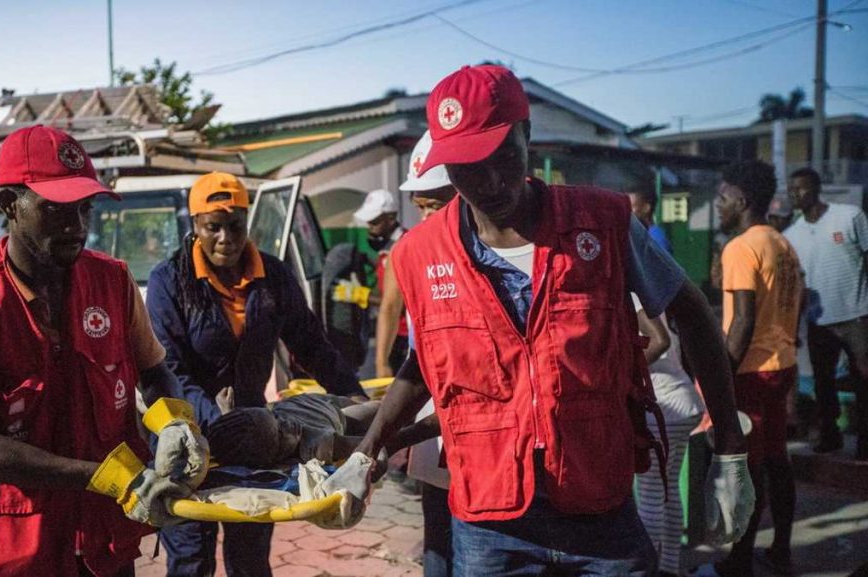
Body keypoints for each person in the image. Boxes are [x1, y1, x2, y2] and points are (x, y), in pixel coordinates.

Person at [328, 64, 755, 576]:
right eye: (465, 166)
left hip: (599, 509)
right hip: (489, 524)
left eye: (502, 155)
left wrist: (730, 449)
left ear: (527, 136)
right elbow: (425, 367)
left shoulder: (604, 224)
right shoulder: (419, 254)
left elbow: (695, 317)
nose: (488, 181)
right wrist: (368, 453)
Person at [0, 125, 205, 577]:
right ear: (9, 205)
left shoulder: (112, 281)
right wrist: (109, 477)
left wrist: (174, 422)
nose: (77, 226)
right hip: (12, 547)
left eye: (85, 208)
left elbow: (154, 371)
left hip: (102, 542)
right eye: (55, 210)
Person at [146, 171, 366, 577]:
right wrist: (219, 425)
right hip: (186, 438)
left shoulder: (273, 277)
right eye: (213, 227)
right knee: (191, 557)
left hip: (253, 439)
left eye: (235, 226)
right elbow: (170, 369)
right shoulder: (170, 281)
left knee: (250, 555)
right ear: (194, 226)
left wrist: (357, 399)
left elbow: (312, 346)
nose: (226, 238)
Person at [695, 161, 803, 577]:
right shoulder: (782, 242)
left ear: (741, 201)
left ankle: (739, 561)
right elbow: (799, 301)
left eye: (722, 198)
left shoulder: (741, 247)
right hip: (783, 365)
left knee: (747, 468)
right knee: (778, 460)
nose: (718, 205)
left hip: (751, 373)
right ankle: (781, 549)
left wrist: (719, 378)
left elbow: (741, 320)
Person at [785, 167, 868, 459]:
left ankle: (864, 439)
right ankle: (830, 435)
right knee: (823, 382)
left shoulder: (849, 216)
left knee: (863, 378)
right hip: (818, 321)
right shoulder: (791, 235)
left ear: (817, 188)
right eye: (791, 189)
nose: (795, 194)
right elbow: (798, 284)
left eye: (801, 188)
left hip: (857, 315)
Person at [631, 292, 705, 577]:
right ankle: (669, 568)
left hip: (663, 408)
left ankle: (648, 571)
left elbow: (660, 341)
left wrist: (622, 370)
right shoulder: (652, 296)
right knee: (668, 489)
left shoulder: (633, 294)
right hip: (681, 403)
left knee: (650, 495)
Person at [375, 133, 458, 380]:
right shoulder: (407, 250)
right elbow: (390, 307)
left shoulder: (487, 247)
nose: (425, 217)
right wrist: (382, 364)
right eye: (420, 207)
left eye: (434, 205)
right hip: (428, 373)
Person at [206, 387, 381, 468]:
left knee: (377, 408)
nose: (289, 426)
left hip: (311, 403)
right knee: (374, 414)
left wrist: (228, 412)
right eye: (281, 435)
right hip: (334, 415)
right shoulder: (318, 445)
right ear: (268, 458)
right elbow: (370, 447)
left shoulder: (259, 437)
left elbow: (240, 436)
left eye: (275, 417)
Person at [348, 188, 408, 375]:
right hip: (394, 334)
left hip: (403, 338)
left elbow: (395, 304)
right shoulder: (387, 249)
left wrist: (360, 296)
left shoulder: (401, 248)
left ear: (391, 218)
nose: (370, 228)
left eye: (374, 222)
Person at [628, 186, 673, 255]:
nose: (628, 211)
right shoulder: (635, 234)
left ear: (646, 208)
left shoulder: (655, 238)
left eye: (632, 206)